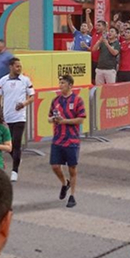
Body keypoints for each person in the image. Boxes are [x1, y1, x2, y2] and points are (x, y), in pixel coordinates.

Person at [49, 74, 86, 208]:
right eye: (60, 83)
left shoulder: (78, 100)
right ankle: (65, 183)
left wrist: (64, 121)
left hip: (72, 139)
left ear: (70, 85)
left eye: (63, 83)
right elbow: (49, 117)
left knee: (72, 168)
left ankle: (72, 195)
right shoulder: (55, 101)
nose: (60, 85)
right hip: (58, 138)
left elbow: (81, 119)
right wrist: (53, 119)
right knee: (55, 166)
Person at [0, 56, 35, 182]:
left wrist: (23, 104)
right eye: (17, 66)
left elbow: (32, 96)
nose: (19, 68)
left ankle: (14, 171)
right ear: (11, 67)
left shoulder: (25, 80)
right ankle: (17, 158)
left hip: (19, 117)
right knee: (9, 145)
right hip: (6, 118)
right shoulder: (2, 81)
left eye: (20, 66)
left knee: (16, 143)